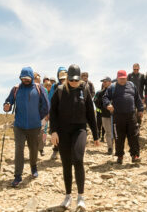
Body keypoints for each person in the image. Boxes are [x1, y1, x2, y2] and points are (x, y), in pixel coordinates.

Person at [50, 64, 99, 210]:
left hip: (79, 130)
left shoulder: (84, 90)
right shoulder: (59, 91)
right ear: (67, 79)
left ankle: (81, 197)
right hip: (63, 132)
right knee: (66, 164)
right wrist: (53, 131)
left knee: (78, 159)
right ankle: (67, 196)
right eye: (71, 80)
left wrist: (96, 136)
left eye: (76, 80)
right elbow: (53, 113)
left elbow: (91, 113)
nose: (73, 82)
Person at [3, 66, 49, 187]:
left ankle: (33, 167)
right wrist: (6, 105)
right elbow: (9, 101)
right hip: (19, 125)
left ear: (32, 78)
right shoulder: (16, 89)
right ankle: (17, 176)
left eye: (28, 78)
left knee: (33, 149)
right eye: (23, 78)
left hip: (34, 126)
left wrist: (38, 117)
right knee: (19, 149)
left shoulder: (39, 88)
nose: (25, 80)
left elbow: (46, 105)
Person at [103, 70, 144, 164]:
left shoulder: (132, 85)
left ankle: (135, 155)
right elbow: (105, 97)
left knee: (134, 136)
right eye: (121, 78)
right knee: (119, 137)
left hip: (131, 115)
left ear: (126, 77)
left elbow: (137, 98)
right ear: (117, 78)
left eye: (124, 78)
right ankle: (120, 156)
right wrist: (108, 104)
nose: (122, 80)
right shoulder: (112, 87)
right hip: (118, 116)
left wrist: (140, 109)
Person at [48, 67, 67, 160]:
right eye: (61, 76)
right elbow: (50, 98)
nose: (63, 79)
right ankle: (55, 150)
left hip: (68, 114)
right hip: (56, 113)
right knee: (56, 132)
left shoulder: (71, 84)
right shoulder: (54, 86)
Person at [94, 77, 113, 154]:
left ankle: (117, 148)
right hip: (104, 115)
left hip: (115, 115)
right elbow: (95, 101)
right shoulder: (99, 93)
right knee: (108, 132)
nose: (104, 83)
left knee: (115, 132)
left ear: (110, 82)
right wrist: (102, 107)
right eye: (103, 82)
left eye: (105, 81)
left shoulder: (115, 91)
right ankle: (110, 148)